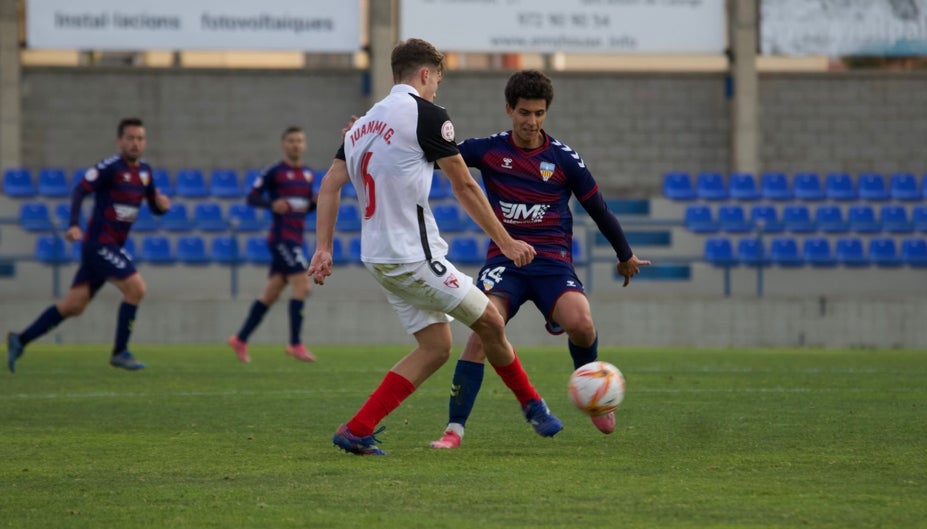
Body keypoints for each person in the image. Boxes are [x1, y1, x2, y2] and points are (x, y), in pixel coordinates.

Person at [307, 38, 563, 456]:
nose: (436, 90)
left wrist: (323, 248)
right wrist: (507, 241)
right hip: (413, 256)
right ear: (426, 74)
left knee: (436, 347)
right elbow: (463, 184)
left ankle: (357, 428)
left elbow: (330, 185)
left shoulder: (363, 125)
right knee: (492, 324)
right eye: (437, 81)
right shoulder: (427, 114)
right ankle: (533, 406)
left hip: (378, 257)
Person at [430, 70, 652, 449]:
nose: (531, 122)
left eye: (538, 113)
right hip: (505, 262)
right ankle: (454, 430)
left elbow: (598, 208)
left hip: (552, 263)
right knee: (483, 332)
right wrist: (372, 137)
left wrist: (625, 254)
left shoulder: (563, 159)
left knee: (582, 324)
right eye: (523, 113)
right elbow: (434, 155)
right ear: (508, 110)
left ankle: (594, 392)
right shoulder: (489, 150)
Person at [6, 117, 170, 372]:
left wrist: (161, 207)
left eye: (140, 138)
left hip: (112, 245)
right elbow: (80, 190)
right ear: (119, 141)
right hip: (99, 244)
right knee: (136, 288)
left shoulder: (146, 173)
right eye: (130, 138)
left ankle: (20, 340)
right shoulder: (110, 167)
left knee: (74, 305)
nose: (135, 143)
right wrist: (73, 224)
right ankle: (120, 351)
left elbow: (153, 205)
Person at [227, 126, 317, 363]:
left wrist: (314, 203)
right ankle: (295, 343)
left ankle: (240, 338)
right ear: (284, 144)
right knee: (303, 286)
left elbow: (304, 208)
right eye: (291, 141)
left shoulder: (307, 175)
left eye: (299, 140)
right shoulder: (274, 172)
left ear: (304, 145)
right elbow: (252, 196)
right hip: (281, 239)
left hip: (296, 239)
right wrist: (271, 203)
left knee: (271, 293)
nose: (295, 144)